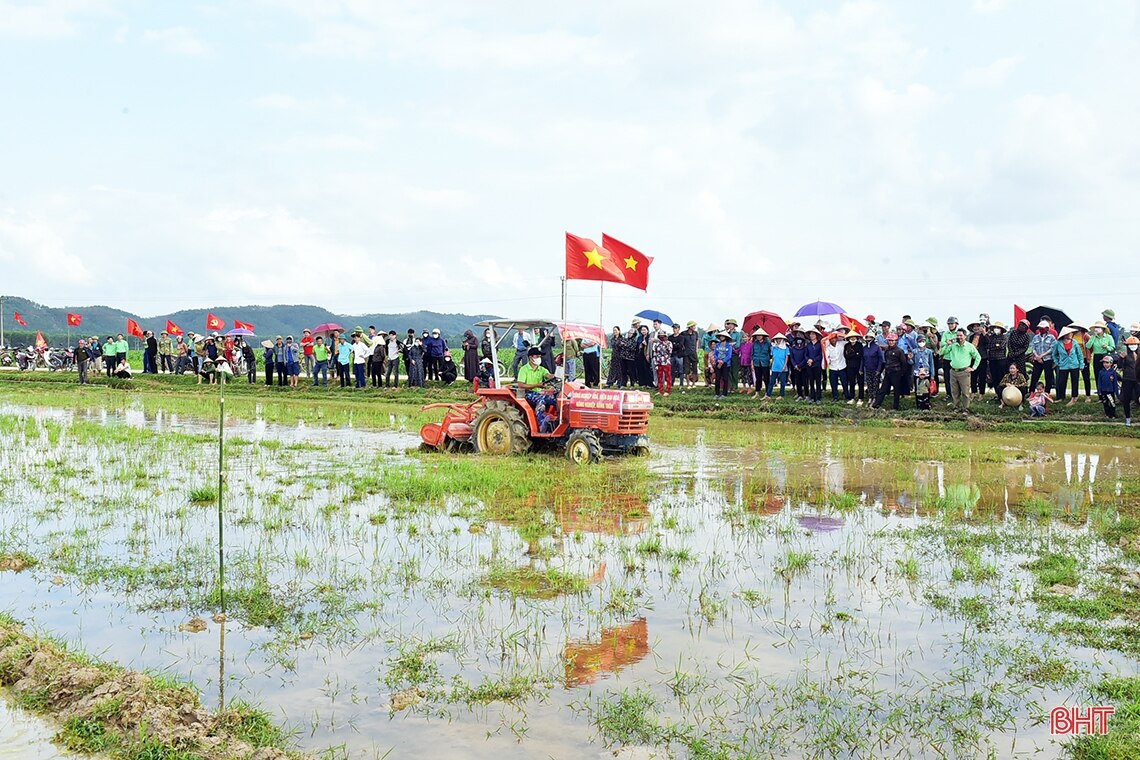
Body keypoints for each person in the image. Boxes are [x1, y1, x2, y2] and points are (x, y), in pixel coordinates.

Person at [940, 328, 982, 411]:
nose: (959, 337)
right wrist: (947, 345)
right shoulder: (953, 345)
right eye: (958, 335)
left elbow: (978, 357)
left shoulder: (969, 346)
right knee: (955, 392)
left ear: (965, 336)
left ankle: (966, 408)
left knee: (965, 392)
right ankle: (956, 407)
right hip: (953, 371)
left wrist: (973, 368)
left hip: (964, 372)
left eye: (961, 335)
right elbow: (942, 352)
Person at [873, 333, 907, 410]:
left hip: (896, 373)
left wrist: (901, 373)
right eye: (889, 340)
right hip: (888, 372)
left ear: (896, 341)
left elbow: (904, 363)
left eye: (892, 340)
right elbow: (886, 360)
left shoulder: (899, 351)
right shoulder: (887, 350)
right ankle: (876, 405)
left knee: (896, 391)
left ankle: (896, 407)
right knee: (883, 389)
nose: (891, 342)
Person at [1052, 326, 1085, 405]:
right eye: (1069, 333)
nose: (1071, 334)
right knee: (1061, 381)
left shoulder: (1075, 343)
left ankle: (1074, 397)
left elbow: (1079, 354)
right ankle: (1061, 397)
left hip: (1074, 364)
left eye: (1071, 333)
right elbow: (1054, 354)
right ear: (1065, 334)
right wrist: (1057, 362)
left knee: (1075, 381)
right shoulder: (1058, 343)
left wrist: (1081, 364)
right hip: (1063, 365)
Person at [1029, 321, 1057, 394]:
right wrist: (1037, 357)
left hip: (1047, 359)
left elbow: (1052, 348)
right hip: (1037, 360)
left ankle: (1047, 393)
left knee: (1048, 377)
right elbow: (1033, 348)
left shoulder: (1051, 337)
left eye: (1042, 328)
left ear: (1047, 328)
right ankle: (1031, 392)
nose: (1040, 329)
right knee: (1035, 376)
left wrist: (1042, 355)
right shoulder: (1036, 337)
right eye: (1039, 328)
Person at [766, 333, 790, 398]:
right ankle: (768, 395)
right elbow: (773, 357)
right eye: (777, 339)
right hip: (775, 367)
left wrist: (784, 366)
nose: (778, 340)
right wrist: (771, 366)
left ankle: (782, 395)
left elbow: (787, 357)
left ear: (782, 340)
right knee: (771, 382)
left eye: (780, 339)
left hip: (782, 367)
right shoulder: (773, 348)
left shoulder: (786, 348)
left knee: (782, 382)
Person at [825, 332, 846, 402]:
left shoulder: (841, 344)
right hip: (833, 367)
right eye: (831, 339)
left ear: (837, 339)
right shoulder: (828, 348)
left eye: (834, 338)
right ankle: (835, 397)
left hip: (842, 366)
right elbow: (826, 356)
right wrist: (828, 360)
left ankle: (847, 396)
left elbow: (848, 339)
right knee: (833, 384)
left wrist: (841, 335)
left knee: (844, 383)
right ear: (829, 340)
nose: (833, 340)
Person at [1097, 355, 1121, 419]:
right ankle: (1107, 414)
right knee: (1105, 404)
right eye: (1104, 362)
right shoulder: (1101, 372)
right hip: (1103, 391)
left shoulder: (1113, 372)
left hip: (1110, 391)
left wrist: (1117, 393)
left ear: (1111, 363)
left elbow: (1115, 383)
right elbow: (1099, 382)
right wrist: (1099, 391)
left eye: (1107, 362)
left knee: (1112, 403)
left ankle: (1112, 414)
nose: (1105, 364)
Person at [862, 334, 883, 406]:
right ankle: (870, 397)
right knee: (869, 384)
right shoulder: (864, 348)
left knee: (875, 385)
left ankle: (875, 398)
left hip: (876, 369)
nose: (868, 338)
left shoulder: (877, 347)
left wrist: (879, 369)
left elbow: (881, 359)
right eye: (867, 337)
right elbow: (862, 359)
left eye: (870, 337)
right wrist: (861, 369)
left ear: (873, 338)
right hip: (867, 369)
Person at [804, 328, 824, 404]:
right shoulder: (808, 345)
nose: (811, 335)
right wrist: (808, 360)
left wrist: (813, 360)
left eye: (813, 334)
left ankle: (818, 397)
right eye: (810, 334)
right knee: (811, 382)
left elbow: (820, 355)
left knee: (818, 382)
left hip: (817, 365)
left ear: (816, 335)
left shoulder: (820, 344)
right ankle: (812, 397)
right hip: (809, 365)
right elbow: (805, 354)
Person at [750, 329, 772, 398]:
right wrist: (752, 363)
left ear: (763, 336)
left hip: (765, 362)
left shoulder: (768, 343)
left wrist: (768, 359)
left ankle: (767, 393)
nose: (758, 336)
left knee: (766, 378)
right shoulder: (755, 344)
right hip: (757, 362)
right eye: (757, 335)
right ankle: (757, 392)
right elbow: (752, 354)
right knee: (758, 378)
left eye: (760, 335)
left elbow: (771, 353)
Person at [711, 332, 733, 399]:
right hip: (718, 363)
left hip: (726, 364)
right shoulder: (717, 345)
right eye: (720, 336)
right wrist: (718, 360)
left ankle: (724, 394)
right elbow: (715, 354)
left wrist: (723, 361)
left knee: (725, 378)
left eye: (723, 336)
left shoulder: (729, 346)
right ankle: (717, 393)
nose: (721, 337)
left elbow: (729, 355)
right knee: (717, 378)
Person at [843, 332, 863, 403]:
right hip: (849, 367)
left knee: (860, 383)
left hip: (859, 367)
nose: (853, 338)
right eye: (851, 337)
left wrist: (851, 354)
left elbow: (860, 356)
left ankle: (860, 398)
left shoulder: (860, 345)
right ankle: (852, 397)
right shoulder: (846, 345)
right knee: (851, 382)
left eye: (854, 337)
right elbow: (846, 356)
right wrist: (855, 354)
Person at [652, 330, 673, 395]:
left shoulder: (669, 343)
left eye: (663, 336)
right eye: (660, 336)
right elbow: (654, 353)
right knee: (659, 377)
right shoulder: (656, 344)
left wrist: (665, 344)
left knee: (668, 376)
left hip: (666, 362)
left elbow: (670, 351)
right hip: (659, 362)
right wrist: (656, 363)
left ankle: (668, 390)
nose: (661, 337)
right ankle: (660, 390)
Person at [682, 321, 699, 389]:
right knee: (687, 370)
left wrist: (696, 349)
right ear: (690, 327)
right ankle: (688, 384)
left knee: (695, 369)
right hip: (686, 353)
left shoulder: (695, 333)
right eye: (693, 326)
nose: (694, 327)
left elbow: (697, 341)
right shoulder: (683, 333)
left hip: (693, 353)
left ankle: (694, 383)